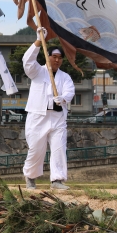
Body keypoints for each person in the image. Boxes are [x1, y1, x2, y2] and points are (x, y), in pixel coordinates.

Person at [22, 28, 75, 190]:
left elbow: (70, 91)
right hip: (38, 116)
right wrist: (39, 41)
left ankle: (57, 180)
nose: (57, 60)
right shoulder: (37, 71)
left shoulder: (65, 77)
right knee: (36, 149)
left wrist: (63, 98)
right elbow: (27, 61)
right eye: (54, 57)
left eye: (60, 58)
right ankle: (30, 177)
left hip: (57, 117)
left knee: (59, 148)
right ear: (48, 57)